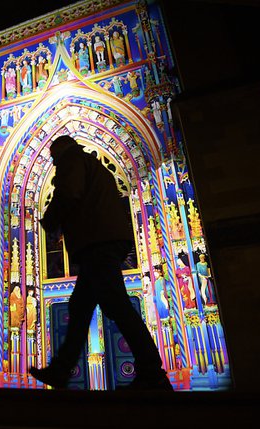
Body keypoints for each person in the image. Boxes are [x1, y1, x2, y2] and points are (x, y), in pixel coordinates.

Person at [29, 135, 173, 391]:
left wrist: (50, 220)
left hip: (98, 240)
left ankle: (152, 372)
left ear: (61, 150)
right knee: (81, 306)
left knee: (116, 305)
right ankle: (61, 370)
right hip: (106, 239)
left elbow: (69, 193)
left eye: (52, 154)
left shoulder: (71, 161)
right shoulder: (93, 165)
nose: (51, 160)